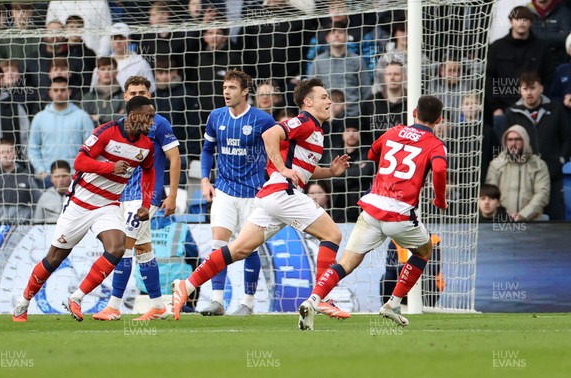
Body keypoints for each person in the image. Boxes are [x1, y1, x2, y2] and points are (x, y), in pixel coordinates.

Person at [171, 78, 352, 321]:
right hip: (283, 193)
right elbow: (270, 135)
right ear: (307, 102)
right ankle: (321, 299)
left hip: (271, 196)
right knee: (333, 235)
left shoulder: (316, 130)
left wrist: (329, 172)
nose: (329, 101)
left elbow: (303, 169)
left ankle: (187, 286)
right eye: (324, 97)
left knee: (238, 249)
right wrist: (282, 169)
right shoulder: (304, 121)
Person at [297, 95, 448, 330]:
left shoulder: (393, 131)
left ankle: (313, 299)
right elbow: (439, 170)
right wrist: (440, 199)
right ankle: (393, 303)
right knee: (424, 250)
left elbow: (371, 154)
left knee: (347, 262)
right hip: (399, 215)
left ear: (414, 113)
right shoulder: (435, 144)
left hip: (372, 208)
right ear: (439, 119)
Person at [12, 95, 156, 322]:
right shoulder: (106, 132)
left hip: (108, 205)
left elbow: (149, 171)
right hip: (79, 204)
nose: (151, 123)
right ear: (133, 115)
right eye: (148, 117)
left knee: (117, 248)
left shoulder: (146, 146)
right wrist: (110, 167)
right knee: (55, 258)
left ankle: (76, 298)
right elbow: (79, 162)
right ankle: (23, 302)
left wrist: (146, 203)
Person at [92, 75, 180, 321]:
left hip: (145, 197)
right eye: (132, 93)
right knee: (143, 250)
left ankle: (113, 306)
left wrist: (171, 195)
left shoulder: (159, 124)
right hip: (122, 195)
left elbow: (175, 158)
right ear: (125, 97)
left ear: (149, 96)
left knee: (122, 248)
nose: (136, 96)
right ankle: (158, 305)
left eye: (141, 92)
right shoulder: (121, 126)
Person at [198, 69, 276, 316]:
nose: (226, 92)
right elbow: (207, 150)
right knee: (218, 244)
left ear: (244, 91)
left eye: (231, 88)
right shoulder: (216, 117)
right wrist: (204, 179)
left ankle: (248, 304)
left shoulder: (263, 120)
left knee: (248, 248)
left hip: (253, 194)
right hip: (224, 190)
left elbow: (277, 152)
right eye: (224, 88)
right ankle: (218, 301)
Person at [503, 71, 571, 220]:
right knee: (527, 220)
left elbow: (567, 137)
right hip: (524, 177)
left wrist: (561, 159)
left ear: (541, 88)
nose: (529, 93)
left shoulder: (555, 109)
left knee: (556, 221)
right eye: (525, 89)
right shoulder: (512, 113)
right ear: (520, 90)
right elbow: (505, 145)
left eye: (532, 88)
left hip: (553, 173)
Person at [28, 77, 93, 188]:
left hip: (75, 176)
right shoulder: (40, 118)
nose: (59, 93)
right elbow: (33, 148)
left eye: (63, 90)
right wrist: (41, 172)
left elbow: (91, 148)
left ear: (69, 92)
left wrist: (81, 171)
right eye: (56, 90)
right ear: (50, 92)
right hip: (48, 177)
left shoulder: (82, 117)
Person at [485, 125, 550, 221]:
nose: (513, 143)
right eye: (510, 140)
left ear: (525, 141)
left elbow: (542, 194)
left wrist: (523, 215)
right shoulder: (496, 164)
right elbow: (491, 194)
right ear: (505, 142)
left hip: (532, 222)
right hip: (502, 221)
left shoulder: (539, 165)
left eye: (517, 139)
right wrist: (505, 216)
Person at [0, 138, 42, 225]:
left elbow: (38, 203)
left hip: (21, 227)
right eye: (2, 152)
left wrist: (33, 222)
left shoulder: (26, 177)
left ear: (15, 153)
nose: (6, 155)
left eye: (9, 151)